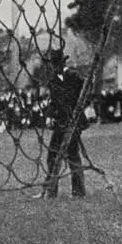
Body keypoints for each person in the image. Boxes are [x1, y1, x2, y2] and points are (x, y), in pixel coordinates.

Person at [41, 49, 88, 199]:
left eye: (56, 64)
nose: (54, 67)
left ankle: (78, 191)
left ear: (62, 63)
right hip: (60, 122)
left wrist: (78, 112)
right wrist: (49, 116)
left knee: (73, 155)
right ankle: (51, 191)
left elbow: (86, 93)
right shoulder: (53, 81)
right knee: (52, 156)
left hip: (73, 121)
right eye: (52, 65)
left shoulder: (74, 77)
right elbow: (53, 102)